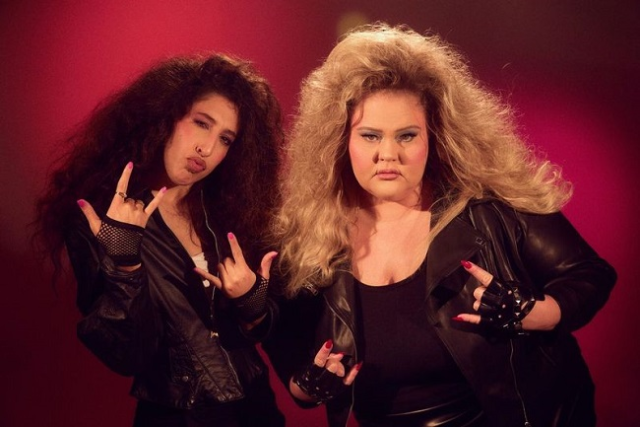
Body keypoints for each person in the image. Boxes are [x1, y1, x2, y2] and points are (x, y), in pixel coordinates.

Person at [263, 23, 617, 427]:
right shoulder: (312, 238)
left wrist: (532, 313)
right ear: (341, 140)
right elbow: (288, 353)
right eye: (371, 136)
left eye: (406, 136)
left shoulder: (489, 211)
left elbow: (590, 275)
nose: (388, 154)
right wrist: (308, 386)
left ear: (434, 136)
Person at [34, 54, 285, 426]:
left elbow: (264, 329)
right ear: (166, 116)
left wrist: (254, 306)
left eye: (225, 139)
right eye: (201, 123)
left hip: (257, 413)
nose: (207, 148)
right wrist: (125, 263)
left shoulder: (227, 214)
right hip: (176, 417)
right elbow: (127, 354)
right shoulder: (103, 218)